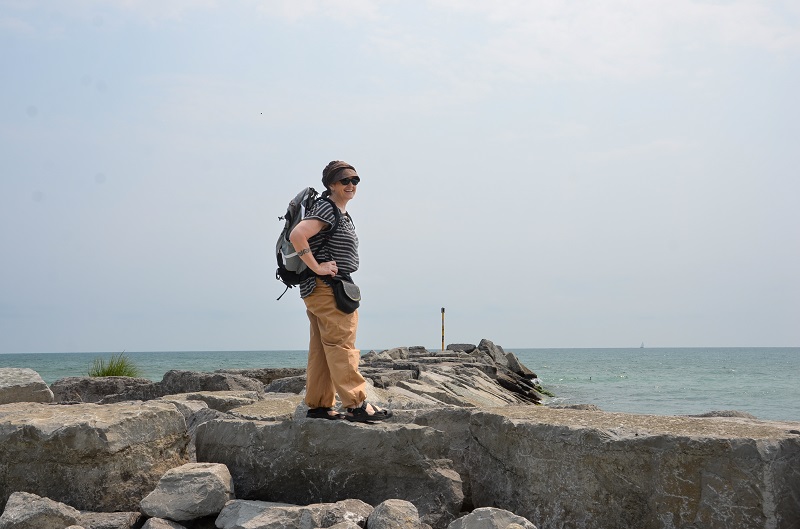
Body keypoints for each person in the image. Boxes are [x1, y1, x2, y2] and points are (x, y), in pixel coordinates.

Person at [288, 160, 392, 422]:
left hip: (322, 289)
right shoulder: (327, 208)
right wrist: (318, 267)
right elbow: (297, 235)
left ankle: (320, 406)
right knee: (342, 345)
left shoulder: (339, 212)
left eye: (355, 181)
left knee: (323, 350)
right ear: (331, 185)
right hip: (326, 288)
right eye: (344, 181)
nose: (351, 185)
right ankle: (356, 405)